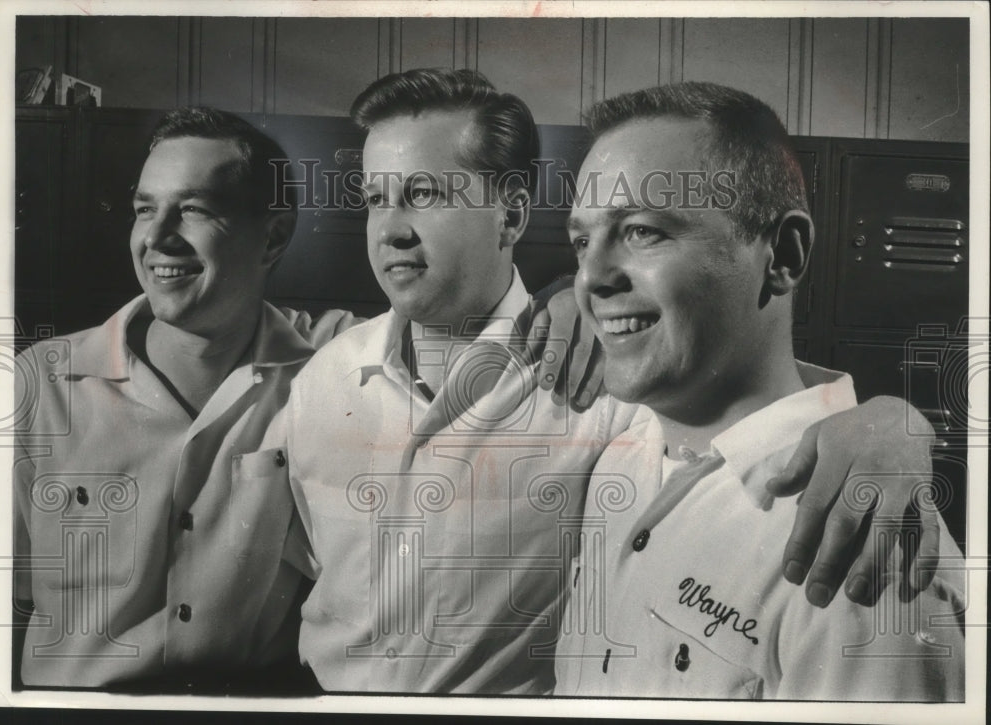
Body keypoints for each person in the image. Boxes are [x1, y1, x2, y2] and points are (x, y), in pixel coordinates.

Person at [268, 68, 946, 695]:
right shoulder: (326, 371)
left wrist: (894, 423)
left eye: (645, 232)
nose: (390, 229)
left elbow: (753, 401)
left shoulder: (600, 394)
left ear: (510, 213)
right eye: (584, 241)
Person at [553, 81, 964, 700]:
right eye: (582, 240)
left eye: (642, 231)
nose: (590, 278)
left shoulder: (863, 552)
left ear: (784, 254)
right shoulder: (622, 449)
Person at [12, 108, 356, 691]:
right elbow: (8, 604)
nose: (156, 237)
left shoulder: (332, 366)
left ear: (272, 236)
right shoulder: (40, 385)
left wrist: (561, 296)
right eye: (145, 208)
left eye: (194, 209)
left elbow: (469, 335)